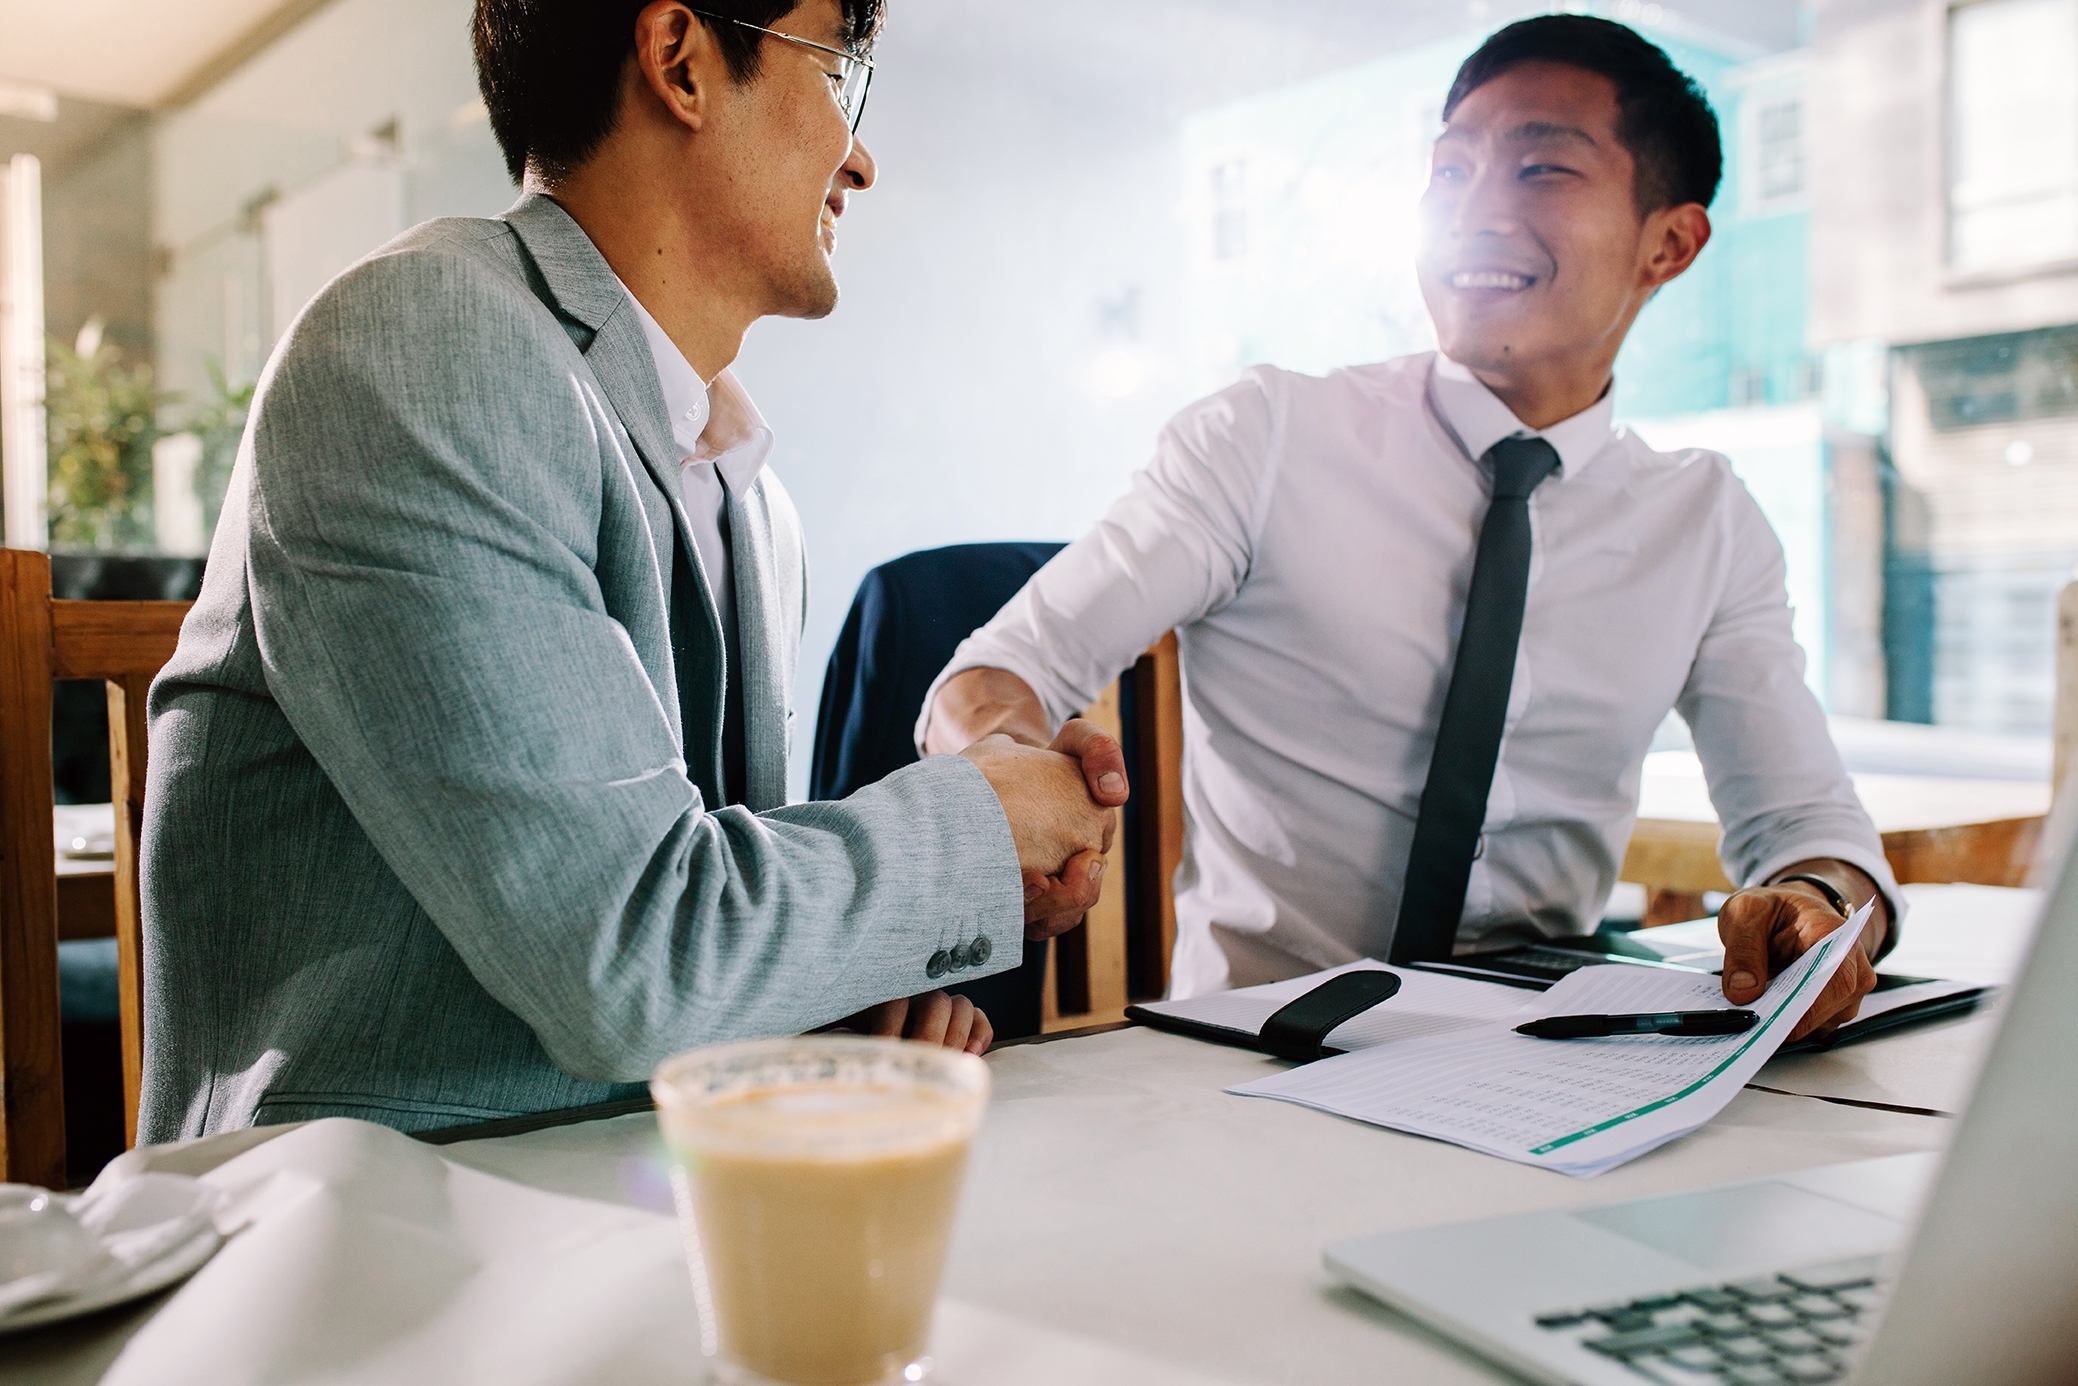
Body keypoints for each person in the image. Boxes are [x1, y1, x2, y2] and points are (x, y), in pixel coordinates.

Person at [139, 0, 1121, 1142]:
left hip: (643, 1195)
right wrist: (974, 827)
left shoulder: (754, 501)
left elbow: (688, 944)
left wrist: (842, 997)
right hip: (366, 1224)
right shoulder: (418, 344)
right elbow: (629, 960)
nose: (859, 154)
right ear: (680, 62)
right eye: (837, 73)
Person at [924, 15, 1897, 1041]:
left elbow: (1805, 828)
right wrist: (1003, 761)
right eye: (1448, 173)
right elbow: (998, 672)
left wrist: (1816, 911)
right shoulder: (1266, 436)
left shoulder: (1707, 521)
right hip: (1257, 1063)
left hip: (1550, 1061)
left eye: (1539, 171)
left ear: (1668, 242)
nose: (1474, 213)